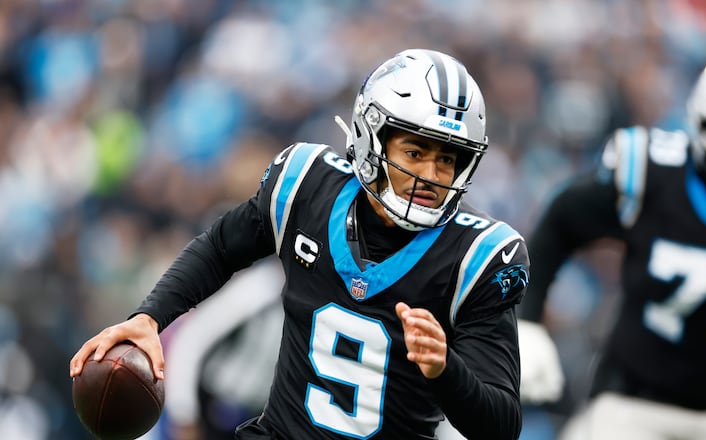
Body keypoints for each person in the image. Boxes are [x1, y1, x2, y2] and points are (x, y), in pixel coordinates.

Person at [70, 48, 528, 440]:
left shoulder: (479, 257)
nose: (430, 175)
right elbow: (220, 249)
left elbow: (501, 424)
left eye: (447, 159)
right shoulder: (307, 187)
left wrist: (446, 370)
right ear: (372, 137)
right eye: (415, 152)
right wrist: (149, 317)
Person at [518, 48, 706, 440]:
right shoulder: (652, 173)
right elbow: (561, 221)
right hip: (638, 404)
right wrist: (527, 319)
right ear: (704, 126)